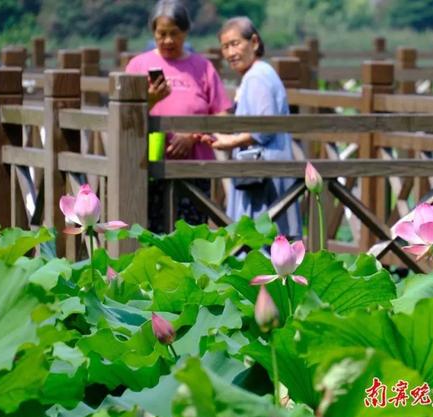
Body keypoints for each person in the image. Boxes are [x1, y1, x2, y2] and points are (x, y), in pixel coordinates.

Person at [125, 0, 232, 228]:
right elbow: (124, 118)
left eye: (175, 33)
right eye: (161, 34)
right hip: (148, 167)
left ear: (186, 32)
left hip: (194, 169)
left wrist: (192, 135)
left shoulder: (203, 67)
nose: (168, 41)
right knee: (150, 237)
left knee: (191, 242)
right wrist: (152, 99)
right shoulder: (138, 65)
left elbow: (222, 116)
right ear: (153, 33)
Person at [207, 17, 301, 238]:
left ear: (255, 42)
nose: (230, 53)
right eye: (225, 47)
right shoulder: (257, 74)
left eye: (235, 44)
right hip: (261, 166)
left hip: (264, 170)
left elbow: (264, 127)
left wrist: (231, 141)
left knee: (261, 241)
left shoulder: (258, 76)